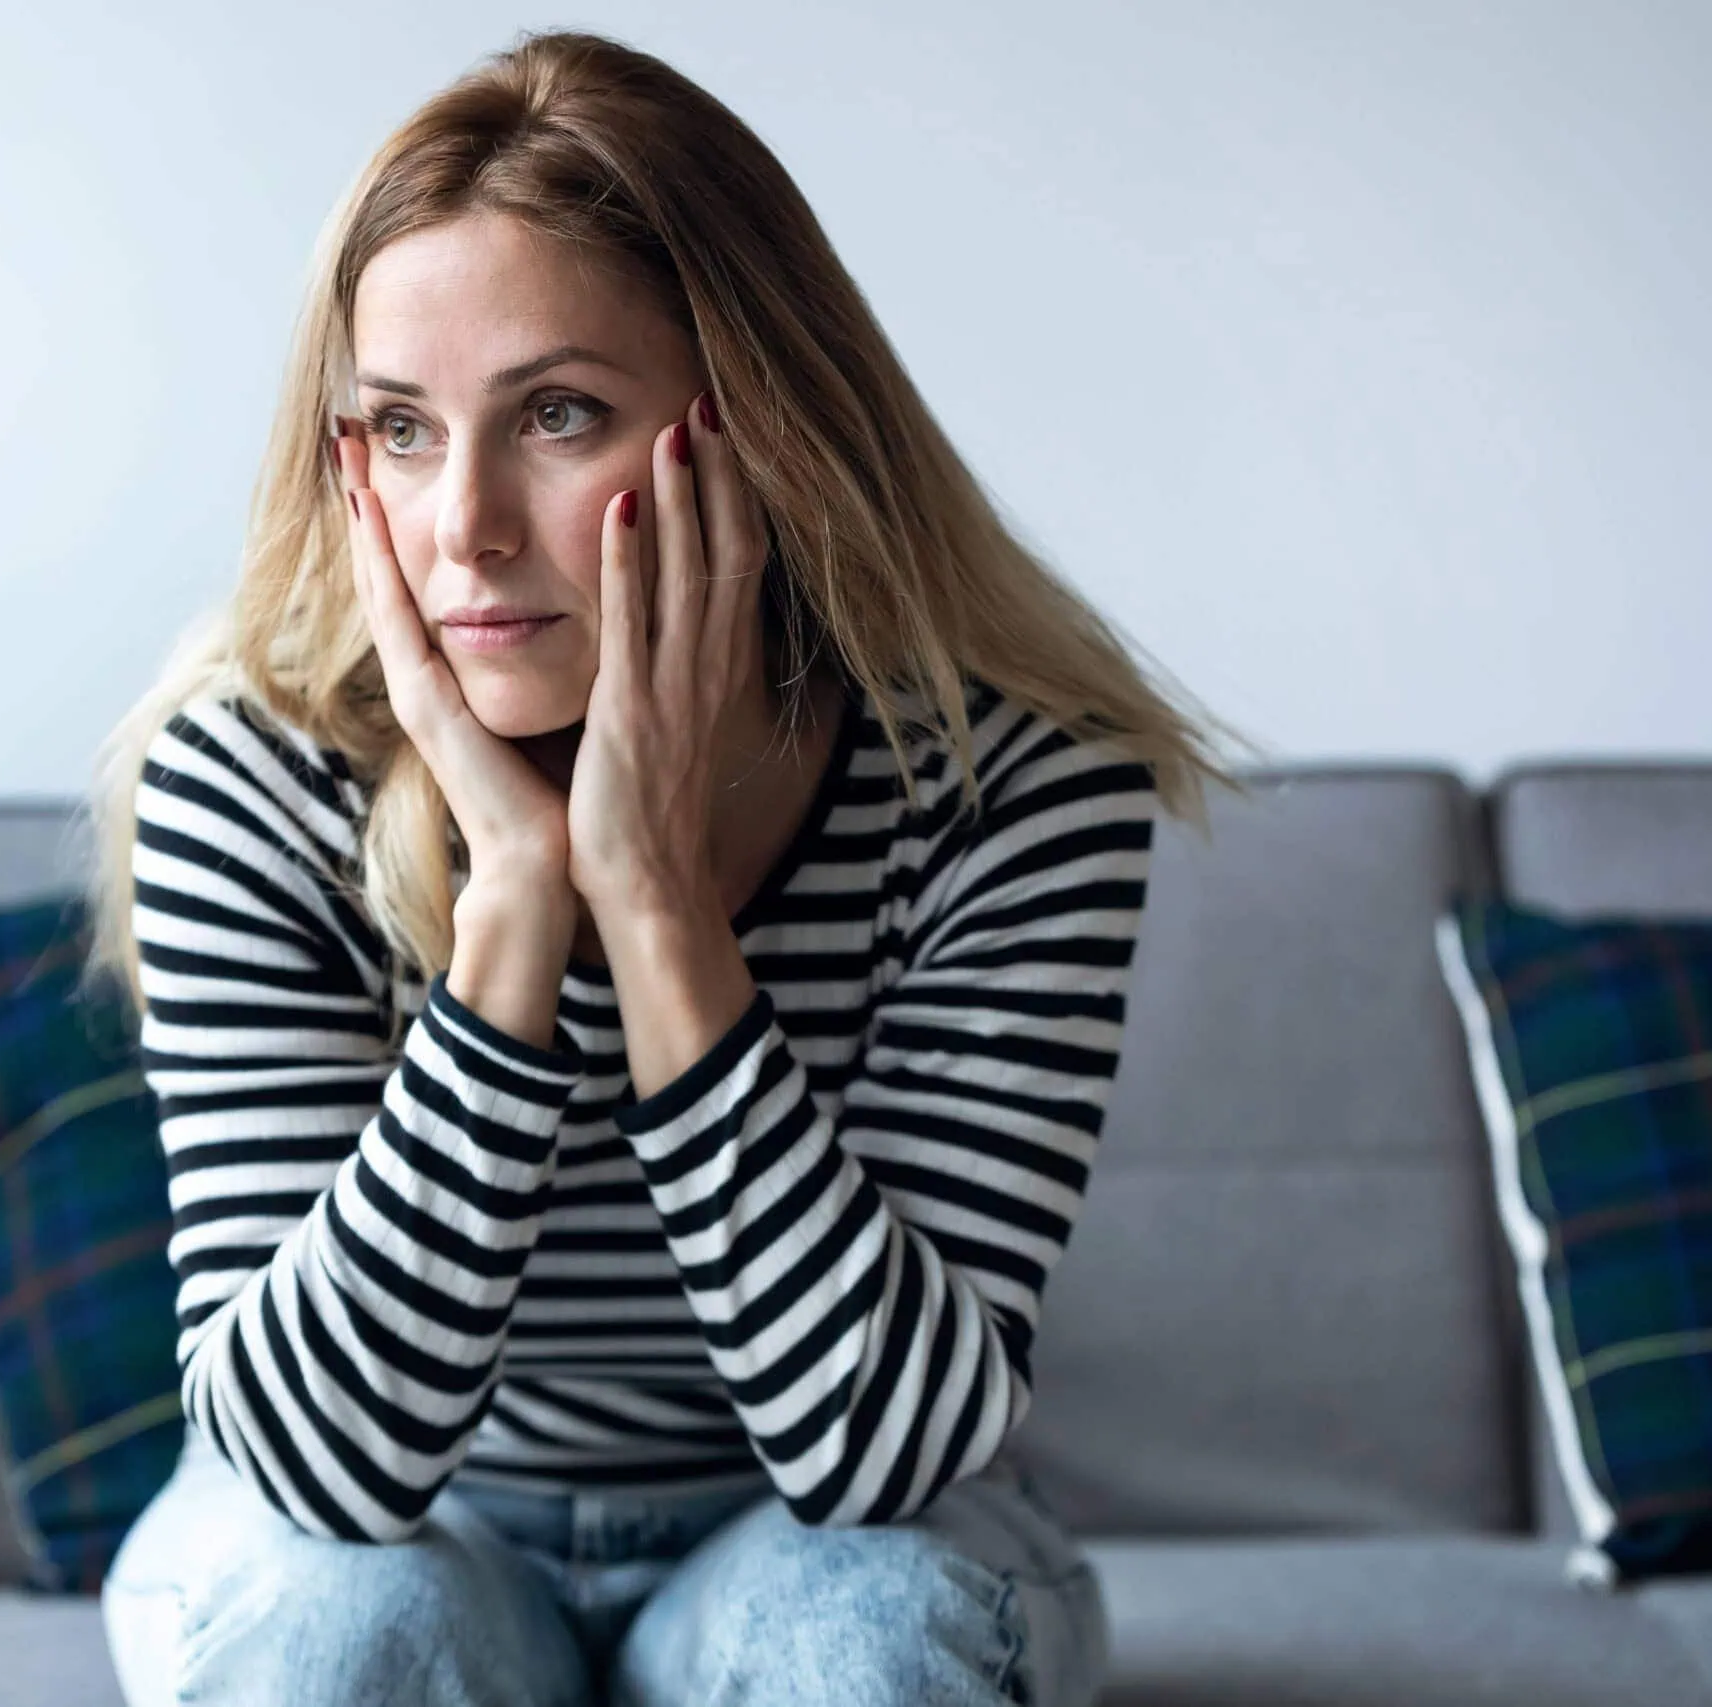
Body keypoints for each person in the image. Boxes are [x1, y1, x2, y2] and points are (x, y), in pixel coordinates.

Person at [81, 27, 1248, 1707]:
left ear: (753, 434)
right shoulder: (257, 768)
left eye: (556, 414)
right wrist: (513, 912)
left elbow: (880, 1453)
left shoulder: (1012, 782)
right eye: (401, 430)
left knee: (868, 1647)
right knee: (335, 1642)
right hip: (415, 1529)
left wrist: (655, 904)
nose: (464, 523)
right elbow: (325, 1478)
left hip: (805, 1525)